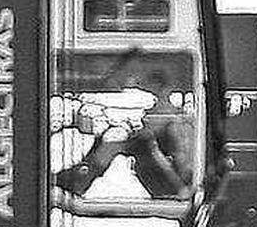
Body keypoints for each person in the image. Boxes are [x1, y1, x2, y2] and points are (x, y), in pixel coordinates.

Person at [53, 60, 197, 203]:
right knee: (114, 141)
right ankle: (80, 177)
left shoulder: (170, 117)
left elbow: (151, 136)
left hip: (173, 184)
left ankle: (80, 180)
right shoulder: (155, 112)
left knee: (120, 144)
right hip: (165, 177)